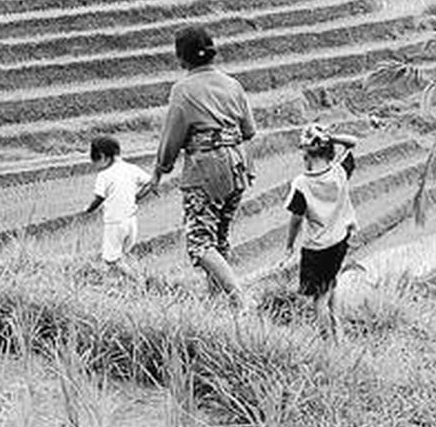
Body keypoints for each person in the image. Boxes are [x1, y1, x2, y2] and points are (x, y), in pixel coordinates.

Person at [150, 25, 256, 308]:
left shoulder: (183, 89)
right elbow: (249, 130)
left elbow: (171, 139)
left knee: (199, 243)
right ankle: (215, 304)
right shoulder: (233, 84)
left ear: (181, 58)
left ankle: (240, 300)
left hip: (206, 171)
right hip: (238, 167)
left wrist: (160, 170)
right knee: (219, 239)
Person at [281, 123, 359, 339]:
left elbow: (295, 220)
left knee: (319, 299)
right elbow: (353, 142)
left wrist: (289, 246)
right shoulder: (340, 172)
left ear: (305, 154)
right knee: (332, 284)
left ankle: (327, 342)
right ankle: (339, 332)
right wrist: (329, 137)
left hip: (316, 248)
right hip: (340, 241)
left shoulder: (302, 184)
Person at [83, 135, 153, 280]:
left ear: (102, 157)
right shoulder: (131, 168)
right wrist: (137, 196)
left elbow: (99, 198)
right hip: (131, 221)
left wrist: (88, 209)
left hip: (115, 223)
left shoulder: (104, 175)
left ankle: (138, 280)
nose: (95, 166)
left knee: (111, 260)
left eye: (95, 161)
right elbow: (150, 183)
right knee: (122, 255)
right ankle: (118, 282)